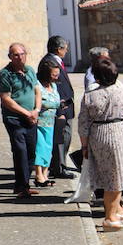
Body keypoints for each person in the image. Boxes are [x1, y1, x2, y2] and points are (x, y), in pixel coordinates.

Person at [78, 58, 123, 231]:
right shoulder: (121, 92)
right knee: (116, 177)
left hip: (98, 135)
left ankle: (117, 211)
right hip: (118, 132)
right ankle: (109, 217)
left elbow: (83, 123)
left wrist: (84, 146)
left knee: (109, 176)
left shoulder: (89, 95)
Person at [0, 43, 41, 198]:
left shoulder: (30, 71)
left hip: (31, 117)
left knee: (31, 151)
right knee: (20, 150)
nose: (20, 56)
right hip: (14, 118)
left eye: (22, 53)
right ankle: (22, 187)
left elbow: (37, 91)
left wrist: (36, 110)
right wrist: (26, 113)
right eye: (15, 54)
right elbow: (6, 99)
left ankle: (23, 185)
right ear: (10, 56)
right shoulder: (5, 74)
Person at [41, 36, 76, 179]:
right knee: (61, 138)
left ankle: (58, 166)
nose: (66, 51)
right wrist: (60, 110)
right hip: (60, 109)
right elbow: (52, 88)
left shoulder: (56, 61)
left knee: (63, 138)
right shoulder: (49, 62)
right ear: (58, 49)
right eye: (65, 48)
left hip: (65, 107)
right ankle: (59, 168)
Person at [31, 59, 62, 188]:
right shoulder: (37, 85)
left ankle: (45, 174)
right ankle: (38, 175)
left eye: (57, 74)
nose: (56, 77)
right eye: (54, 74)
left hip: (51, 122)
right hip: (39, 123)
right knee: (40, 148)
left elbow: (56, 101)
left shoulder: (53, 86)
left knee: (48, 149)